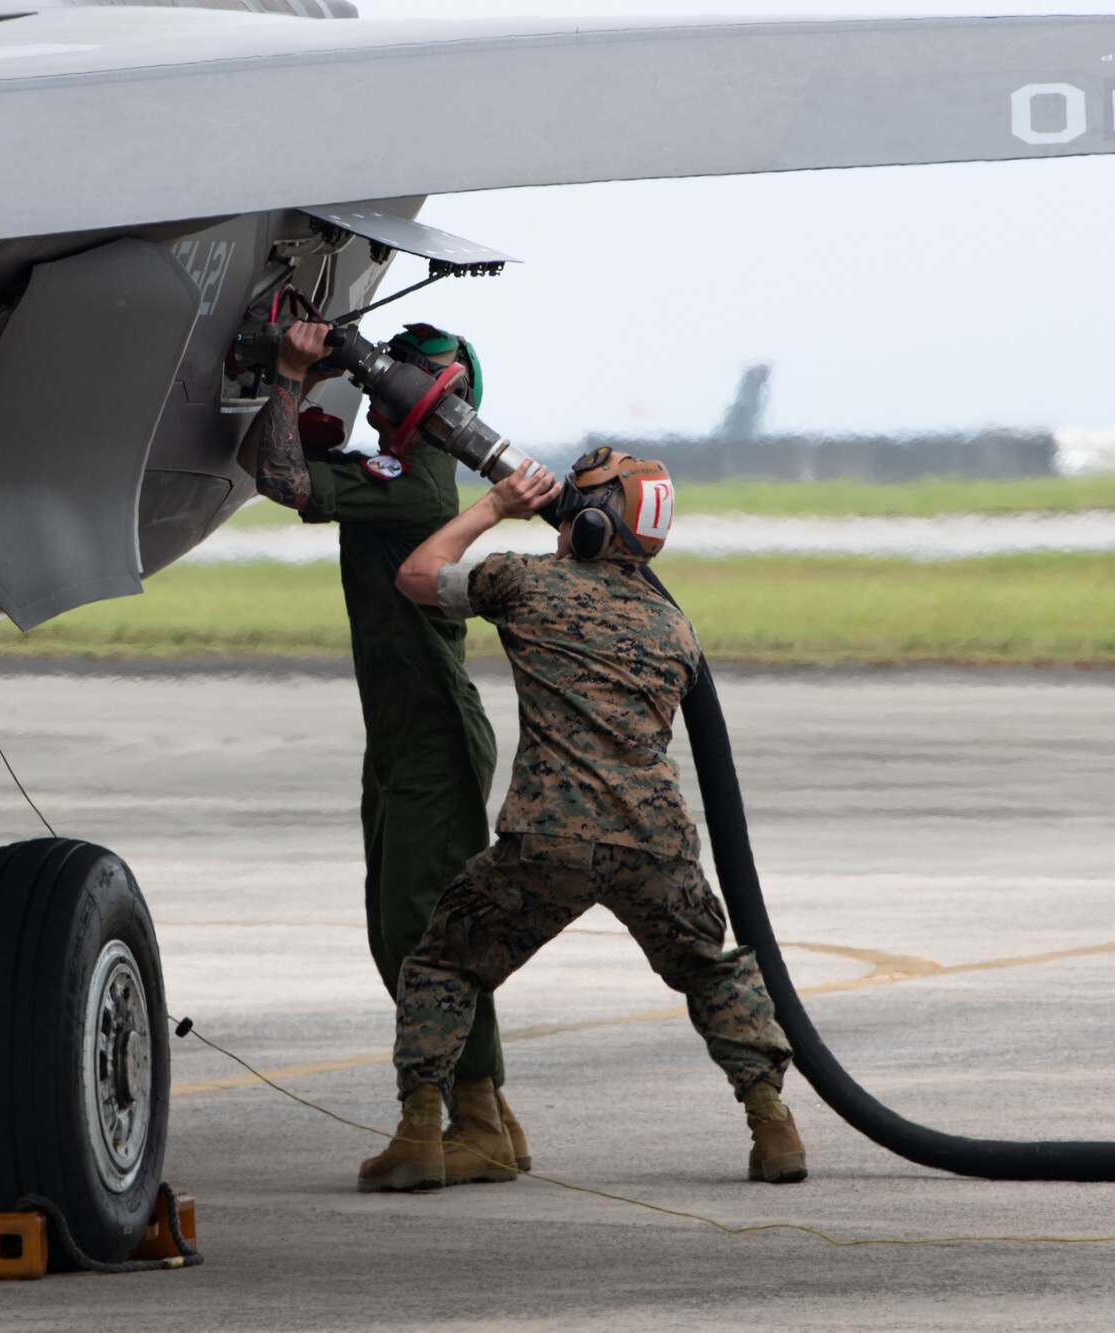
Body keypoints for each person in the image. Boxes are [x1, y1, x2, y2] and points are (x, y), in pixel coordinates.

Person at [353, 448, 806, 1193]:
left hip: (549, 836)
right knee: (710, 970)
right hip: (657, 842)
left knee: (441, 961)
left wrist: (494, 507)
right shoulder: (675, 630)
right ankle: (772, 1123)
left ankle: (419, 1134)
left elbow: (415, 575)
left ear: (593, 519)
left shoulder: (526, 582)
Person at [237, 318, 528, 1183]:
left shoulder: (410, 479)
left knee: (422, 929)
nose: (381, 389)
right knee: (401, 922)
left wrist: (290, 373)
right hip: (406, 726)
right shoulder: (407, 472)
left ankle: (452, 1119)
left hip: (430, 728)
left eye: (397, 380)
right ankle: (491, 1116)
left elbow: (283, 480)